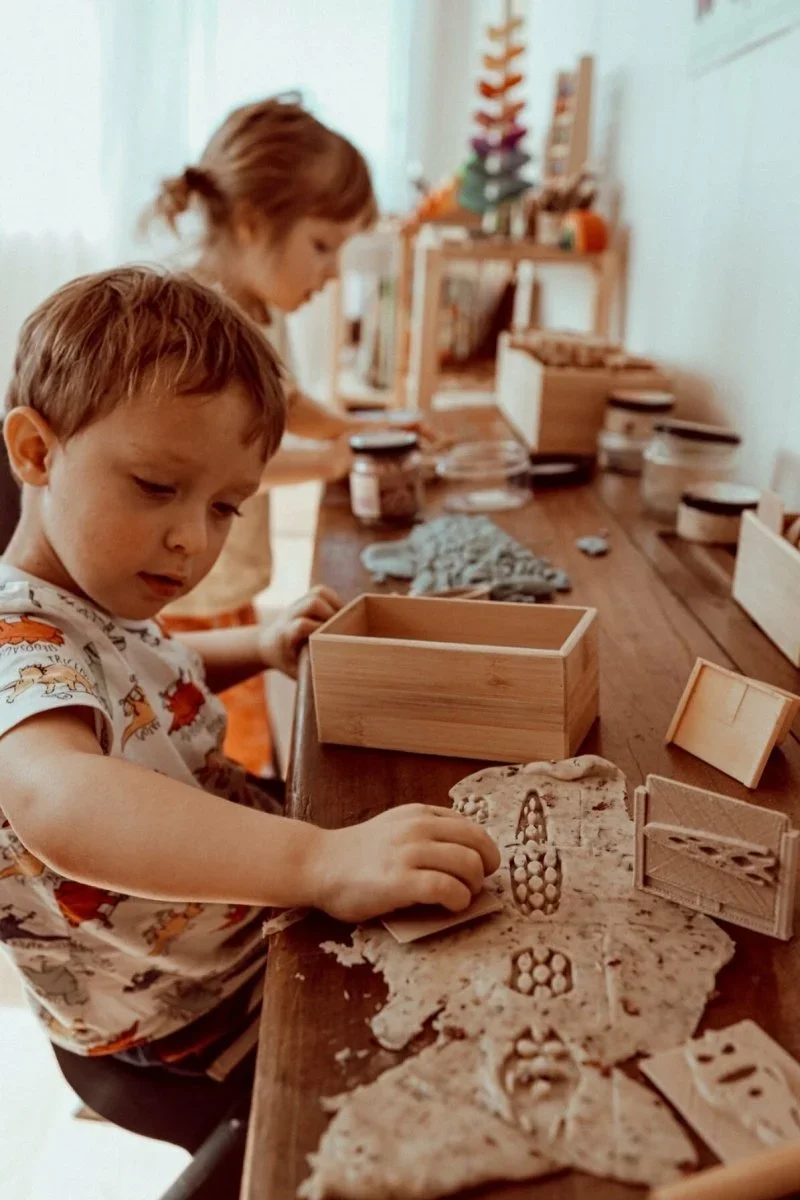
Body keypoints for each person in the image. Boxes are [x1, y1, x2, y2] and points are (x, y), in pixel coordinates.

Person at [0, 266, 498, 1103]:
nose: (192, 539)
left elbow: (140, 686)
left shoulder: (94, 592)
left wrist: (261, 644)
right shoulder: (15, 641)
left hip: (232, 932)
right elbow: (61, 801)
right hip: (181, 1014)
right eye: (157, 488)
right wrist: (322, 859)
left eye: (227, 506)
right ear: (37, 451)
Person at [144, 94, 427, 774]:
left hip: (218, 577)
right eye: (322, 246)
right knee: (203, 750)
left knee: (236, 735)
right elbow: (219, 467)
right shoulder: (200, 322)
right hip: (182, 592)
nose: (331, 274)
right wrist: (334, 460)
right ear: (249, 223)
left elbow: (285, 402)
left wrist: (366, 426)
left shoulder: (251, 310)